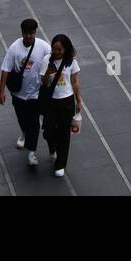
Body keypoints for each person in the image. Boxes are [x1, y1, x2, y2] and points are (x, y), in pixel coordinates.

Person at [0, 19, 52, 168]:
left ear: (35, 32)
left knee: (34, 123)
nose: (29, 36)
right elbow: (5, 69)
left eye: (31, 33)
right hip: (18, 94)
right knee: (22, 119)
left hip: (35, 94)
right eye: (26, 33)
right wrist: (1, 91)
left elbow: (54, 58)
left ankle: (31, 153)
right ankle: (23, 133)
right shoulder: (14, 48)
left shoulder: (43, 46)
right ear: (22, 32)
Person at [40, 34, 81, 177]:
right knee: (47, 132)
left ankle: (61, 163)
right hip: (51, 102)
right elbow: (44, 83)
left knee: (64, 133)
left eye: (60, 49)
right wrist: (47, 73)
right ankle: (53, 148)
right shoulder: (47, 60)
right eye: (54, 49)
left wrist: (79, 100)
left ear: (66, 49)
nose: (56, 52)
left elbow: (75, 82)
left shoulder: (71, 62)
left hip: (67, 101)